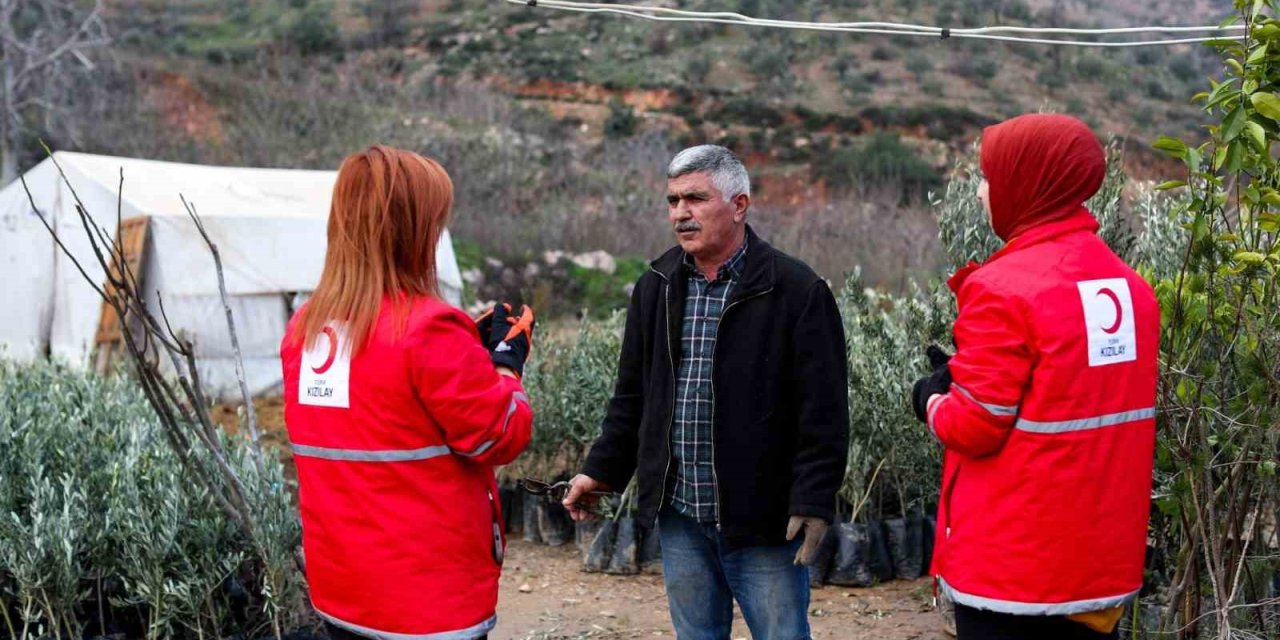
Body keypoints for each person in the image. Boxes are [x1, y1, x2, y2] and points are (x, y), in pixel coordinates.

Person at [562, 145, 849, 640]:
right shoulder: (656, 284)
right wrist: (600, 470)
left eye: (695, 199)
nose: (680, 214)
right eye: (673, 201)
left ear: (739, 205)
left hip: (763, 519)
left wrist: (815, 499)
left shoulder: (796, 290)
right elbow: (632, 397)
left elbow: (823, 412)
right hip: (682, 517)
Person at [911, 114, 1159, 640]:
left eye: (988, 178)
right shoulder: (1130, 288)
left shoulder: (1003, 288)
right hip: (1098, 566)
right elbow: (1068, 392)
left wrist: (932, 398)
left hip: (1017, 573)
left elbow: (974, 426)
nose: (980, 193)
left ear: (1027, 183)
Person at [281, 145, 535, 640]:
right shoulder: (429, 328)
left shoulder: (307, 330)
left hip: (344, 589)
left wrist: (467, 354)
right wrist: (505, 365)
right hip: (428, 602)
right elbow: (498, 436)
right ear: (411, 230)